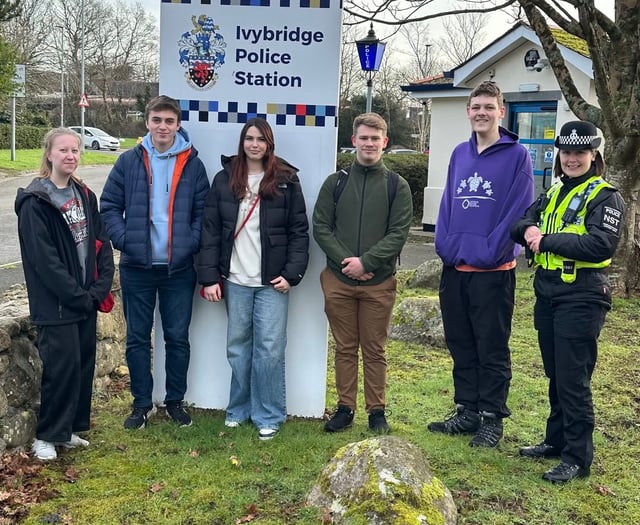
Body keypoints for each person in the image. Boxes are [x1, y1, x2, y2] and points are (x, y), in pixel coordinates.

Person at [511, 120, 625, 483]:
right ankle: (556, 440)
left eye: (580, 152)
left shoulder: (606, 196)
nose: (572, 158)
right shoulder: (555, 189)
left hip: (583, 294)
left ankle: (577, 456)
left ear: (594, 156)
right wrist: (529, 229)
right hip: (548, 292)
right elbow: (523, 222)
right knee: (556, 374)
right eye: (567, 152)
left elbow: (600, 245)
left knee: (574, 379)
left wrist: (546, 240)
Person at [429, 81, 534, 447]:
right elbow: (448, 205)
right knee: (461, 343)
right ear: (468, 111)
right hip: (455, 269)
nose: (481, 112)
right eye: (476, 106)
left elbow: (517, 211)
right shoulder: (460, 153)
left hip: (493, 271)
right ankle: (467, 410)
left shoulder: (517, 155)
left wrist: (491, 250)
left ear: (501, 111)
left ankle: (492, 417)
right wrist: (445, 245)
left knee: (491, 347)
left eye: (489, 106)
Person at [100, 95, 209, 430]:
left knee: (177, 337)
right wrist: (127, 241)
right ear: (147, 122)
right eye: (157, 120)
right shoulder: (128, 161)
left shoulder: (193, 164)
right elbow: (108, 207)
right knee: (136, 338)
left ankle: (175, 402)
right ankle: (141, 404)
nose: (163, 127)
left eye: (169, 121)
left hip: (178, 269)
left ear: (178, 124)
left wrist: (188, 243)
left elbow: (202, 215)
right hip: (137, 267)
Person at [197, 117, 309, 440]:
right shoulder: (224, 180)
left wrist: (292, 275)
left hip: (272, 282)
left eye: (261, 139)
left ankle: (269, 414)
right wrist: (209, 277)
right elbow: (210, 232)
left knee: (270, 349)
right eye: (249, 138)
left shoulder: (286, 181)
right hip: (234, 280)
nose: (254, 144)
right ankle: (238, 409)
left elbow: (299, 232)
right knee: (237, 347)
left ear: (269, 144)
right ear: (242, 142)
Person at [15, 128, 114, 460]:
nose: (70, 156)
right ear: (49, 154)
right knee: (61, 367)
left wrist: (98, 289)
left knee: (83, 365)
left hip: (85, 299)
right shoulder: (35, 202)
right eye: (64, 150)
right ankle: (46, 435)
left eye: (76, 150)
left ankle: (68, 429)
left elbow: (100, 244)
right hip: (56, 303)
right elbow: (45, 261)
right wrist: (76, 295)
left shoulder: (84, 194)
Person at [313, 112, 413, 434]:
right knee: (344, 347)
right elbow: (321, 228)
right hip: (338, 281)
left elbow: (398, 234)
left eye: (375, 138)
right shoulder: (336, 183)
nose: (369, 143)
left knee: (374, 349)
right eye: (363, 137)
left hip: (378, 283)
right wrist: (348, 263)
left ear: (384, 142)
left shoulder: (397, 187)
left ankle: (376, 411)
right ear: (353, 140)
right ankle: (345, 408)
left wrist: (366, 263)